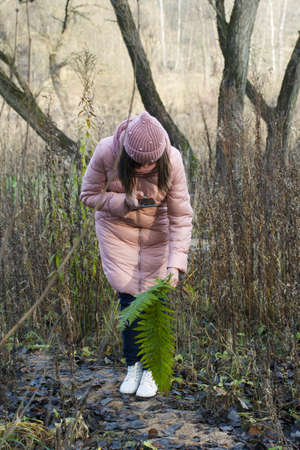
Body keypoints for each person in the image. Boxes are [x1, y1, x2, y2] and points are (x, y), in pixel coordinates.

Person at [80, 111, 193, 398]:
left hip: (159, 235)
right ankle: (133, 365)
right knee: (129, 300)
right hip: (118, 232)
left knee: (156, 300)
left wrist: (176, 264)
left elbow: (181, 217)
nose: (146, 166)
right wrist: (122, 201)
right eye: (140, 162)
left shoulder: (173, 159)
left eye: (151, 162)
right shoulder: (107, 151)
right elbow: (88, 195)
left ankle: (154, 369)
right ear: (127, 155)